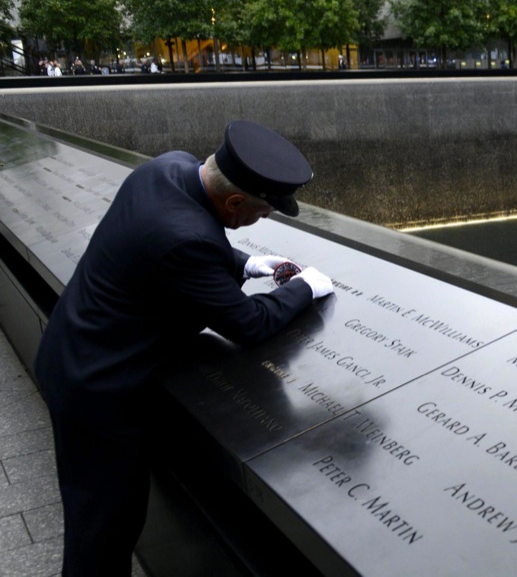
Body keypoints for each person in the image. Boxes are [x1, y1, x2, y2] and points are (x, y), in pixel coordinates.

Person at [34, 119, 335, 575]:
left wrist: (248, 262)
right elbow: (248, 323)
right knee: (103, 528)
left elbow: (176, 241)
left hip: (72, 352)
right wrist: (306, 288)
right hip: (98, 392)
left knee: (98, 514)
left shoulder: (165, 168)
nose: (264, 217)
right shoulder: (187, 239)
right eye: (263, 211)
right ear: (234, 201)